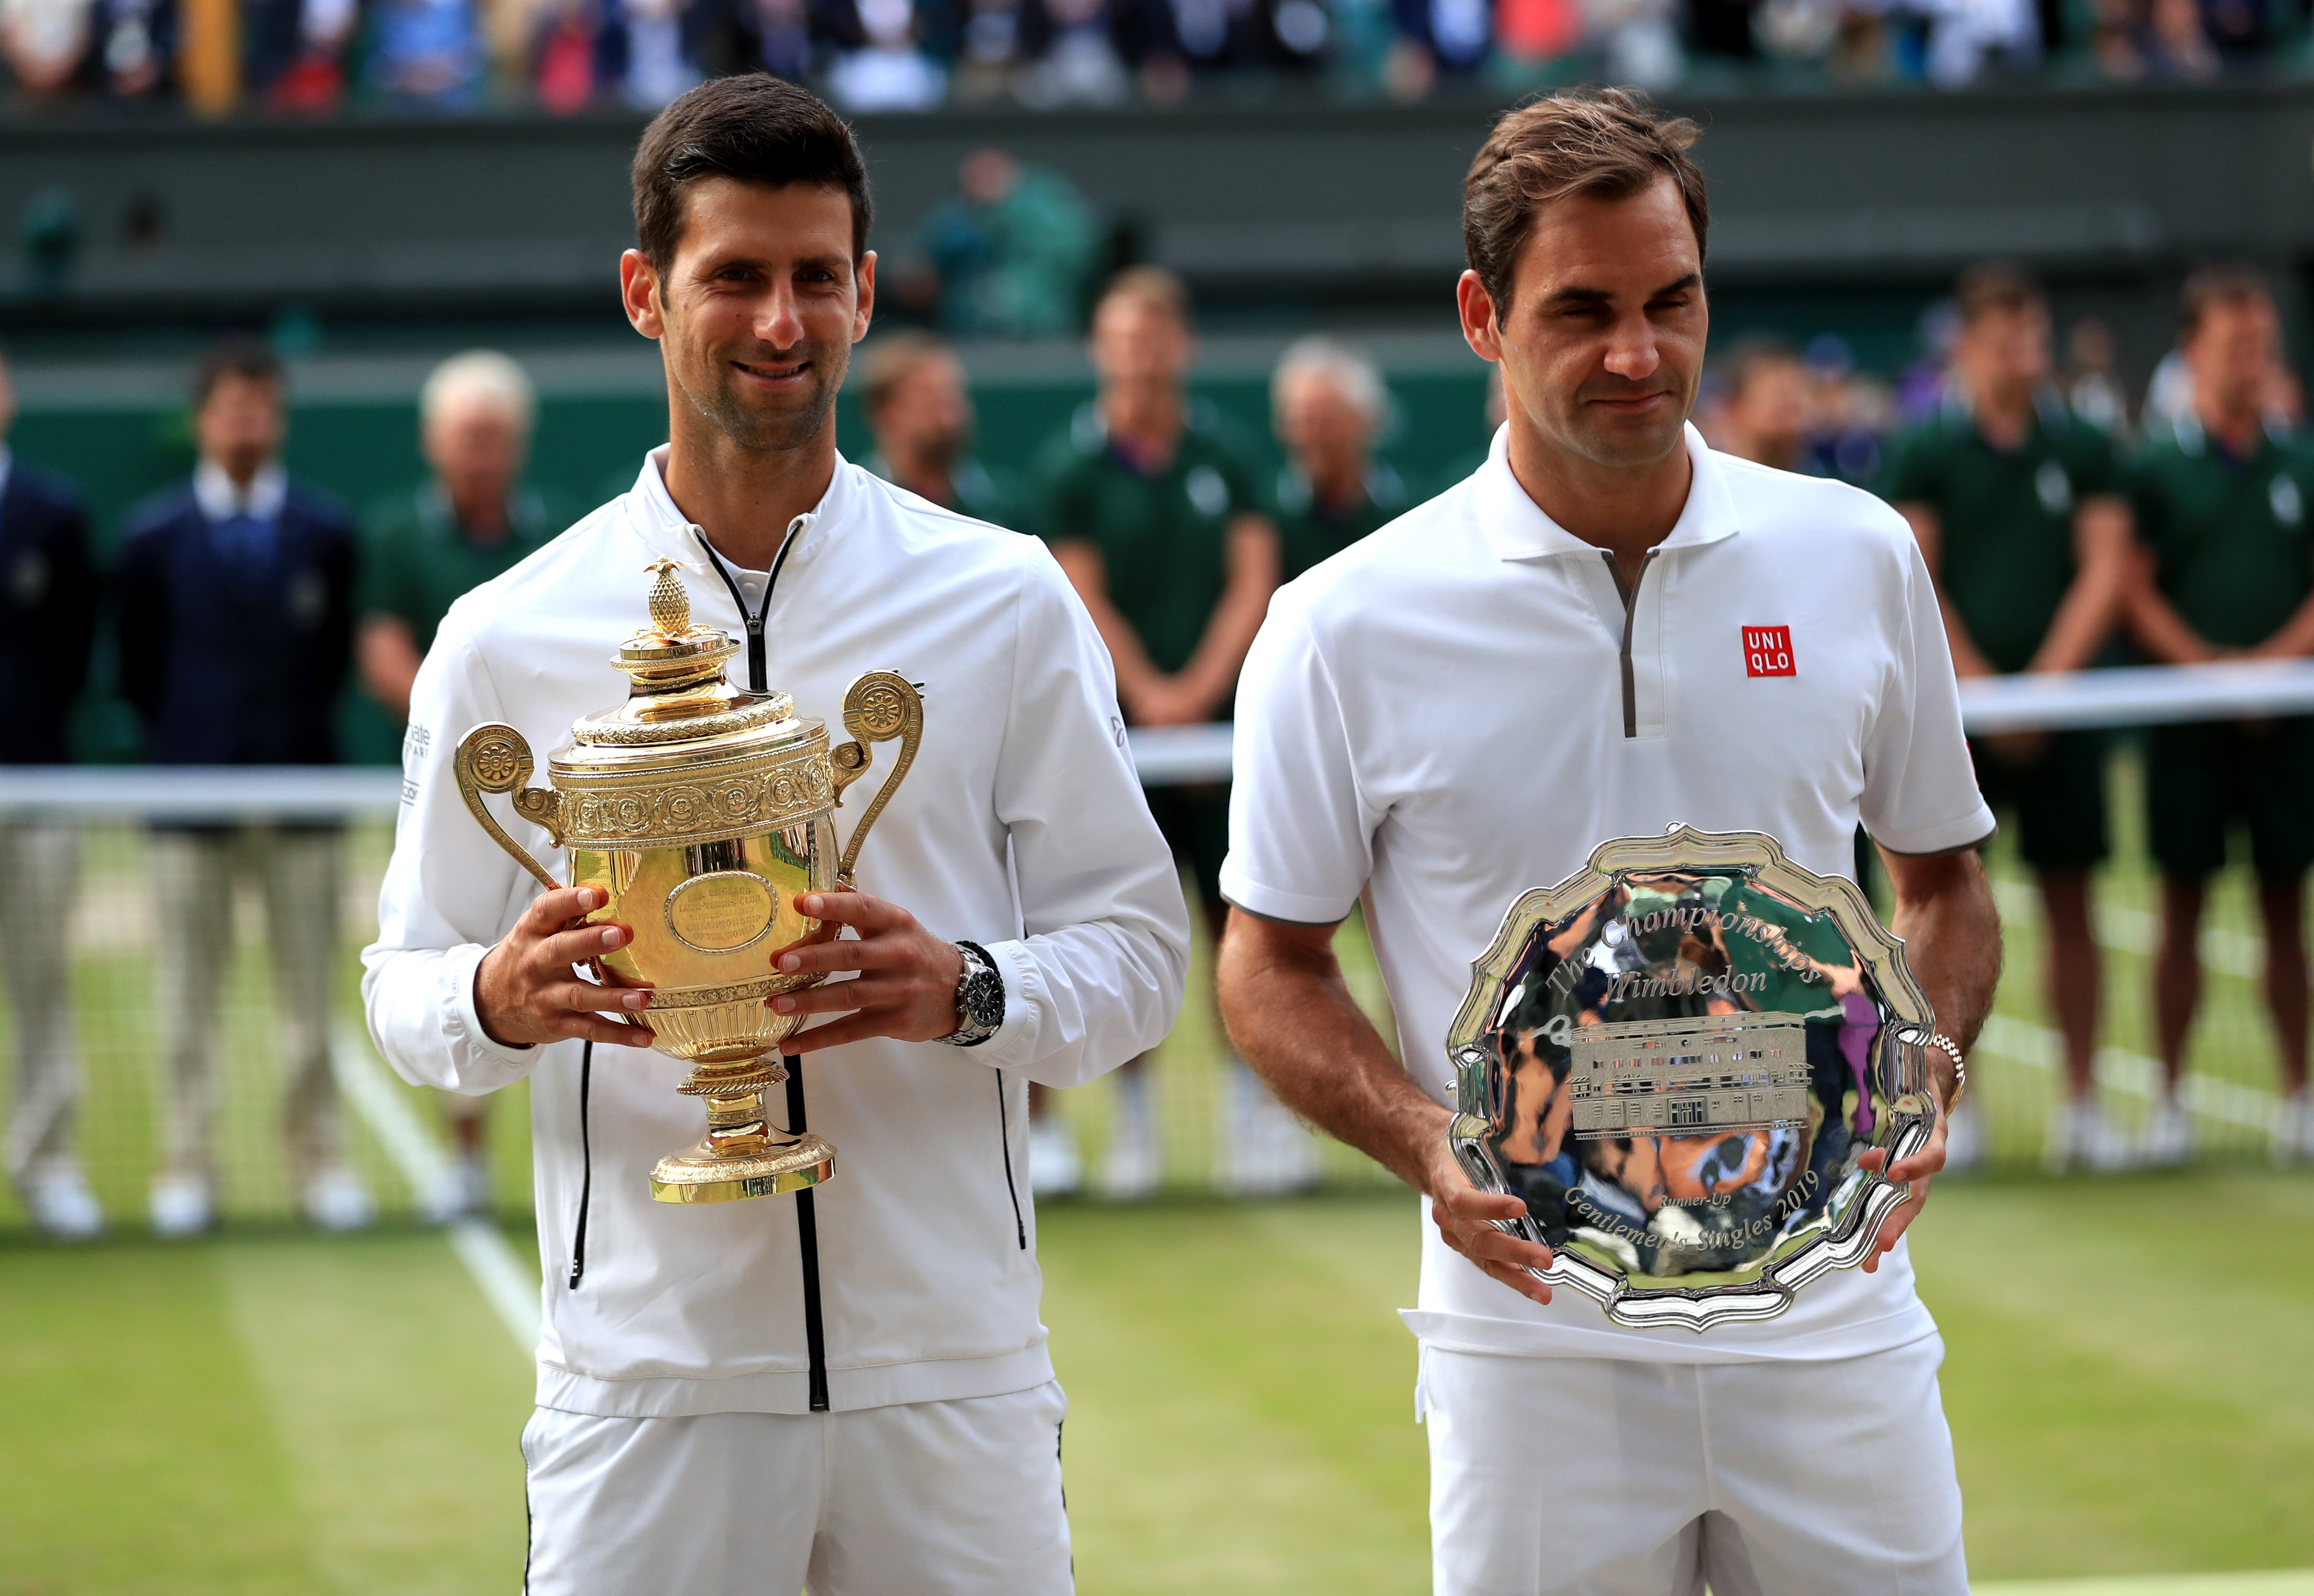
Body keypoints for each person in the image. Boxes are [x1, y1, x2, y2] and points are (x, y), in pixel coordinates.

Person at [362, 76, 1187, 1595]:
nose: (778, 320)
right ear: (644, 294)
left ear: (866, 293)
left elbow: (1139, 956)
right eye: (733, 274)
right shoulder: (504, 634)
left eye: (816, 276)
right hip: (643, 1385)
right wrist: (492, 998)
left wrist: (972, 988)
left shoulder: (1002, 599)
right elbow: (400, 988)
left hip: (951, 1374)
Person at [1217, 89, 1997, 1595]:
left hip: (1832, 1307)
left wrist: (1929, 1044)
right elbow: (1267, 962)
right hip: (1529, 1340)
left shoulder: (1854, 554)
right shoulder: (1339, 623)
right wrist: (1422, 1137)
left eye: (1669, 301)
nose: (1636, 352)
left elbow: (1944, 882)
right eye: (1579, 310)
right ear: (1478, 316)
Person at [1033, 264, 1293, 1199]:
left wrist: (1197, 692)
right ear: (1102, 350)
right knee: (1123, 937)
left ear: (1180, 347)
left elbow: (1252, 578)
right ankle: (1133, 1133)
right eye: (1123, 338)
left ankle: (1255, 1120)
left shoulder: (1227, 460)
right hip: (1120, 747)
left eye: (1155, 337)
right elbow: (1081, 591)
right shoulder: (1070, 472)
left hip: (1224, 749)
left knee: (1245, 935)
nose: (1141, 356)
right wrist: (1148, 691)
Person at [1880, 263, 2133, 1173]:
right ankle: (1957, 1106)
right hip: (1964, 718)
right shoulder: (1924, 447)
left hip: (2061, 719)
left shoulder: (2086, 444)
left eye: (2035, 339)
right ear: (1970, 347)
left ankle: (2083, 1106)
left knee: (2075, 903)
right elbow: (1919, 573)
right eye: (2007, 340)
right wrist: (1981, 687)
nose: (2025, 356)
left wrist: (2049, 687)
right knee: (1944, 900)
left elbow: (2105, 564)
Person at [118, 338, 366, 1237]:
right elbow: (139, 668)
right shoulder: (151, 538)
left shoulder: (327, 531)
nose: (247, 423)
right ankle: (187, 1167)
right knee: (187, 1002)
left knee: (310, 1003)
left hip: (304, 794)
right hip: (190, 799)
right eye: (232, 407)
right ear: (202, 418)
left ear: (280, 419)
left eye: (263, 407)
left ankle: (322, 1165)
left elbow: (333, 652)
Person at [357, 348, 568, 1219]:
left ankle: (568, 1165)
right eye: (466, 437)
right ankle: (467, 1161)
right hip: (441, 793)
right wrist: (466, 738)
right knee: (456, 969)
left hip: (549, 804)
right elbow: (383, 649)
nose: (482, 453)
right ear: (434, 443)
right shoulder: (396, 537)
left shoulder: (556, 533)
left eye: (496, 437)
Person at [2123, 262, 2314, 1167]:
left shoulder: (2298, 460)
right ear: (2193, 351)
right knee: (2182, 906)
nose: (2251, 360)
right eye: (2235, 345)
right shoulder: (2156, 467)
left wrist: (2269, 670)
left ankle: (2298, 1097)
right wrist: (2208, 674)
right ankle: (2168, 1102)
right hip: (2189, 724)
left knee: (2287, 909)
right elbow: (2131, 583)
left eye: (2263, 346)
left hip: (2284, 720)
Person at [0, 351, 101, 1240]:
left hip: (31, 784)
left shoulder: (53, 514)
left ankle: (47, 1166)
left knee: (40, 987)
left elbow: (69, 654)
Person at [855, 331, 1030, 531]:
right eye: (930, 399)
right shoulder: (853, 505)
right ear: (885, 411)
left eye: (952, 397)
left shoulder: (1006, 504)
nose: (948, 418)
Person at [1269, 336, 1408, 582]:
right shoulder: (1266, 516)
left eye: (1324, 420)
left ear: (1365, 422)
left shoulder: (1409, 513)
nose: (1308, 436)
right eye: (1298, 421)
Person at [1710, 335, 1817, 475]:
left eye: (1798, 395)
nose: (1792, 416)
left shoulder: (1823, 486)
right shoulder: (1700, 484)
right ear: (1733, 407)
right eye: (1779, 395)